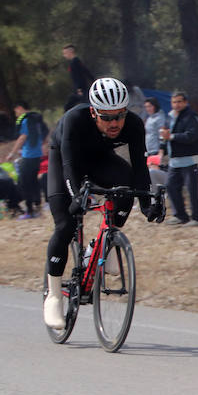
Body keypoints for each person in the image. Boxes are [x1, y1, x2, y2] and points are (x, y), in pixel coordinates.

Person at [43, 77, 163, 328]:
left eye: (119, 115)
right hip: (65, 162)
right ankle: (53, 295)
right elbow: (68, 167)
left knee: (126, 186)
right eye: (106, 117)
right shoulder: (75, 120)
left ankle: (103, 244)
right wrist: (77, 196)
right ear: (93, 112)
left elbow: (141, 169)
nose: (114, 123)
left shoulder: (133, 125)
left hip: (99, 158)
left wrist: (146, 205)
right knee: (65, 225)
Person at [160, 90, 198, 226]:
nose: (177, 104)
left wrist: (172, 137)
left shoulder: (191, 116)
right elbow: (166, 134)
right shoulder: (169, 117)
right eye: (174, 102)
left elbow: (191, 136)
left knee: (193, 190)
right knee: (171, 186)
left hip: (191, 160)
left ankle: (197, 218)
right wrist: (162, 149)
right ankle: (180, 215)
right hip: (175, 161)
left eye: (179, 101)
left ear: (185, 102)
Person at [5, 101, 48, 219]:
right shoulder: (37, 120)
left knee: (25, 183)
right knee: (34, 182)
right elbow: (44, 136)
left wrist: (12, 153)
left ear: (19, 108)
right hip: (37, 156)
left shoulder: (25, 120)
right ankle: (37, 207)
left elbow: (22, 137)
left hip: (28, 156)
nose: (16, 114)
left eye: (16, 111)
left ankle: (30, 211)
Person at [62, 44, 94, 111]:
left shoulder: (75, 62)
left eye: (65, 53)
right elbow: (87, 72)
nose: (64, 55)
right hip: (80, 89)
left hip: (80, 90)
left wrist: (79, 89)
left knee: (69, 107)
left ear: (70, 52)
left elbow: (79, 76)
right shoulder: (76, 61)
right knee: (83, 106)